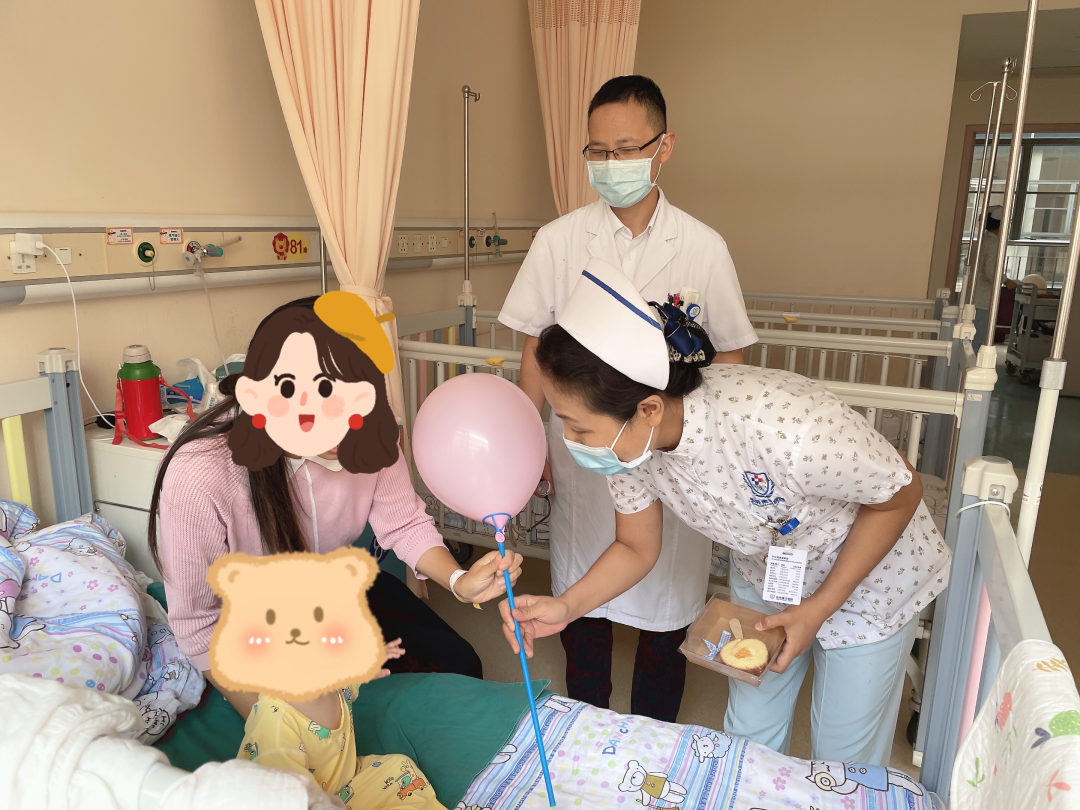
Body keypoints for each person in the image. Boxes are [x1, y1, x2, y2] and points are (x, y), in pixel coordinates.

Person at [499, 260, 951, 766]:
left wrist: (820, 607)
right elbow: (635, 546)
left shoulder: (784, 427)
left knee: (843, 758)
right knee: (749, 735)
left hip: (871, 576)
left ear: (648, 409)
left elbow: (899, 492)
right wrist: (567, 606)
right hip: (771, 569)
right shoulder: (632, 449)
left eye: (579, 428)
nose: (570, 440)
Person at [498, 75, 757, 722]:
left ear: (663, 146)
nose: (611, 164)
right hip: (587, 453)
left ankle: (652, 737)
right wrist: (527, 447)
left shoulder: (703, 247)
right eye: (598, 151)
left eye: (625, 149)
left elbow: (730, 356)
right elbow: (533, 348)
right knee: (582, 603)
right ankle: (587, 725)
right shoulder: (559, 241)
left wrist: (709, 450)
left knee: (667, 608)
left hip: (671, 456)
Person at [148, 296, 524, 721]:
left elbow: (403, 523)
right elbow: (199, 625)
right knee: (328, 722)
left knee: (458, 664)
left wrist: (459, 581)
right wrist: (277, 724)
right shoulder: (200, 474)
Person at [972, 204, 1003, 352]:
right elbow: (991, 272)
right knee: (978, 337)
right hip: (983, 298)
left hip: (974, 294)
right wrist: (1006, 280)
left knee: (971, 336)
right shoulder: (994, 243)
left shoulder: (981, 241)